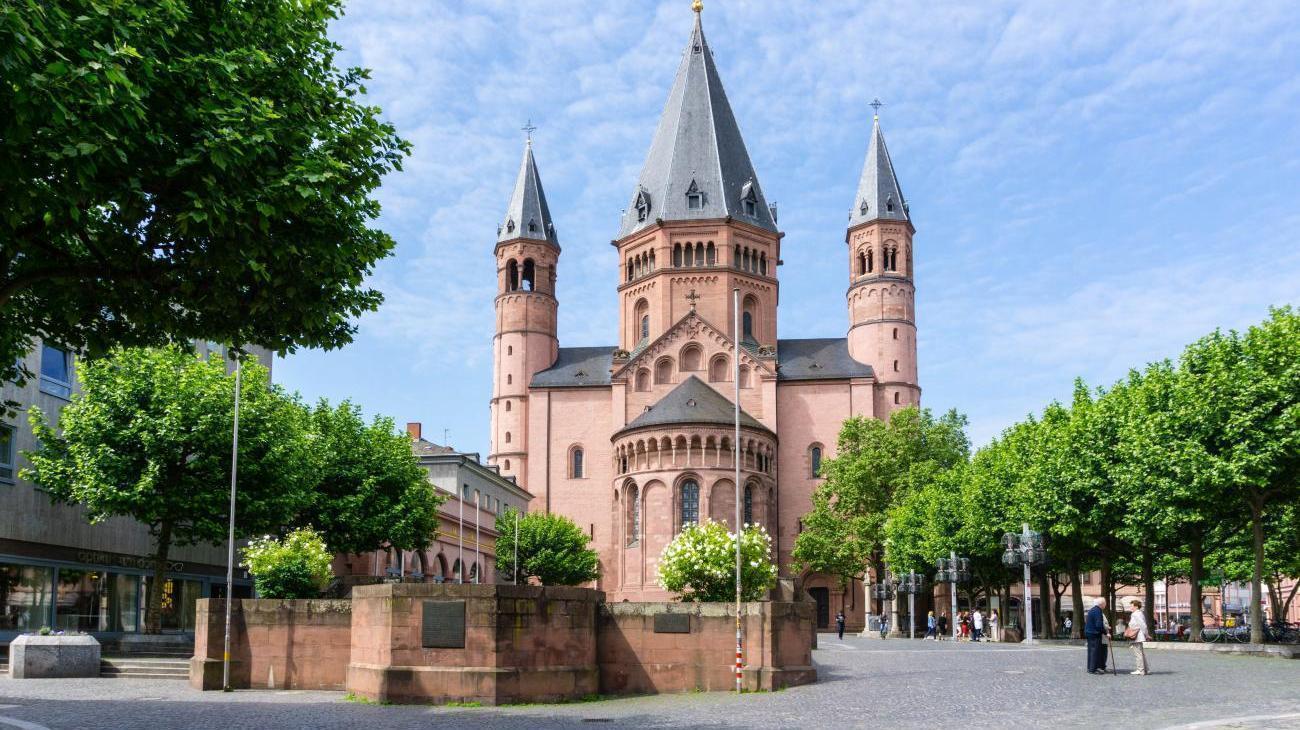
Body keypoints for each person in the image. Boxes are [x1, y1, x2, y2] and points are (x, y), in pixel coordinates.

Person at [1085, 597, 1108, 674]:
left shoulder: (1092, 610)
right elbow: (1099, 625)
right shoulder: (1098, 611)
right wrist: (1105, 632)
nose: (1105, 605)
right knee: (1095, 651)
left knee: (1091, 651)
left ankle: (1090, 667)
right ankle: (1093, 669)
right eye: (1105, 603)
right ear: (1101, 604)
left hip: (1089, 633)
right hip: (1095, 634)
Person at [1127, 599, 1149, 676]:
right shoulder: (1140, 613)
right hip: (1139, 635)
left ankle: (1140, 670)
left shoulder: (1135, 614)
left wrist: (1146, 634)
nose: (1130, 608)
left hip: (1137, 636)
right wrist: (1146, 634)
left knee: (1138, 653)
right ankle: (1145, 669)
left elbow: (1142, 625)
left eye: (1131, 606)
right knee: (1141, 653)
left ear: (1136, 606)